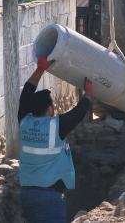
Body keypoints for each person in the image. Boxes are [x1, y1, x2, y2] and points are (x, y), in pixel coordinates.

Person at [18, 56, 93, 222]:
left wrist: (39, 70)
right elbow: (79, 113)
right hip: (49, 198)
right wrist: (88, 93)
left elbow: (25, 96)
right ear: (50, 109)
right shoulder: (56, 126)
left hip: (27, 194)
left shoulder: (24, 121)